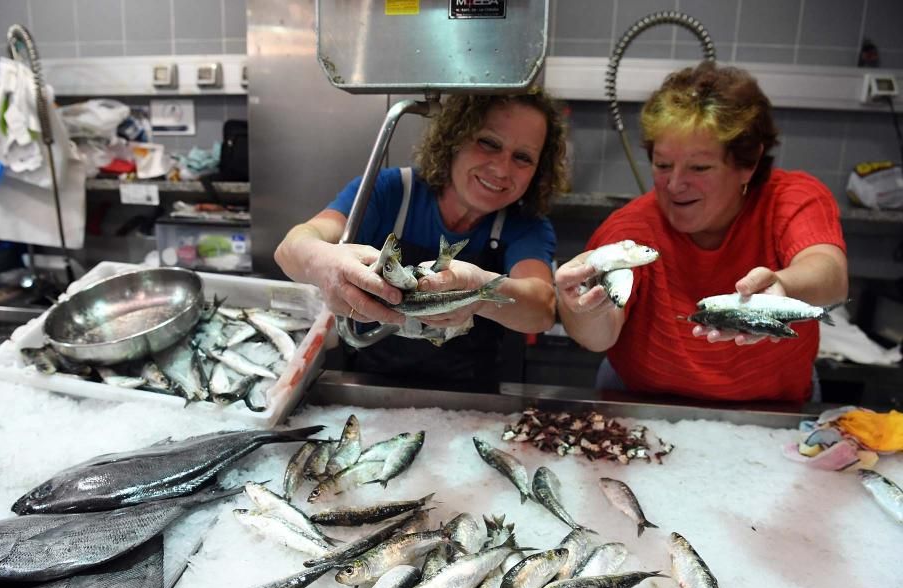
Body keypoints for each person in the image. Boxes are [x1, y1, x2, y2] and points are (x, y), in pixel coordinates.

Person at [554, 61, 848, 404]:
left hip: (776, 410)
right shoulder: (631, 232)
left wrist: (783, 285)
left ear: (748, 162)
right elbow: (599, 337)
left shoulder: (790, 198)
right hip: (644, 408)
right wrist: (581, 307)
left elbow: (830, 272)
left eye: (699, 167)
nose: (675, 184)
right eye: (662, 165)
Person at [275, 90, 570, 383]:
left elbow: (542, 308)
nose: (502, 168)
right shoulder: (390, 191)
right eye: (488, 143)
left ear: (538, 171)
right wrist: (320, 260)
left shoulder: (525, 226)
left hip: (469, 399)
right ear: (455, 137)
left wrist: (479, 293)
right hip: (370, 386)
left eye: (523, 157)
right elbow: (291, 248)